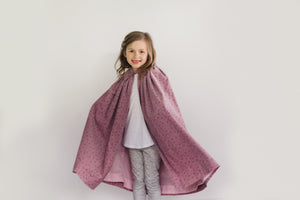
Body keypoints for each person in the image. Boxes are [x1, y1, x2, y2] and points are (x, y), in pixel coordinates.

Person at [72, 31, 219, 200]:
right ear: (125, 53)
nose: (136, 55)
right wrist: (96, 111)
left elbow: (166, 106)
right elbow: (109, 104)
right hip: (132, 140)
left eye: (141, 51)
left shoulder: (155, 76)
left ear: (149, 53)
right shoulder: (124, 80)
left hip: (151, 140)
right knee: (138, 180)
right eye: (132, 51)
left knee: (151, 179)